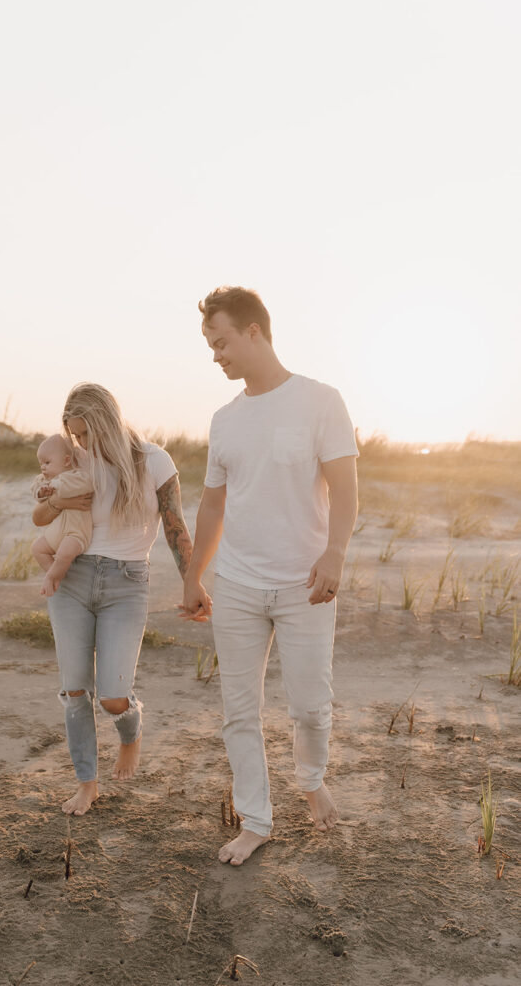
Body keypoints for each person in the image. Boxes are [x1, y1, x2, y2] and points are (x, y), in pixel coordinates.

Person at [181, 286, 358, 866]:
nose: (215, 355)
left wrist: (334, 553)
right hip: (235, 584)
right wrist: (193, 576)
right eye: (210, 345)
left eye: (221, 341)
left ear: (254, 331)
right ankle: (256, 819)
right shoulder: (224, 420)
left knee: (310, 704)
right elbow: (211, 506)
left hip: (304, 585)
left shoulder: (320, 401)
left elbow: (346, 488)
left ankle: (310, 779)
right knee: (238, 710)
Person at [32, 383, 202, 817]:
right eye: (75, 436)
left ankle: (130, 732)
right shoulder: (76, 462)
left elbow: (175, 526)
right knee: (74, 691)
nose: (82, 444)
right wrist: (60, 496)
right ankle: (86, 784)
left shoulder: (153, 460)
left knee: (112, 696)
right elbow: (42, 516)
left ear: (107, 421)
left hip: (127, 583)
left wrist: (192, 582)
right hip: (73, 578)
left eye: (87, 434)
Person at [30, 434, 93, 598]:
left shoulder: (77, 476)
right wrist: (41, 491)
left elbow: (81, 486)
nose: (43, 467)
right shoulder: (44, 479)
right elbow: (36, 491)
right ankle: (57, 575)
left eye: (47, 462)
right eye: (41, 464)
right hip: (56, 533)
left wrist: (54, 487)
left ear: (66, 461)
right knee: (37, 548)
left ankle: (51, 577)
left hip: (76, 533)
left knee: (65, 553)